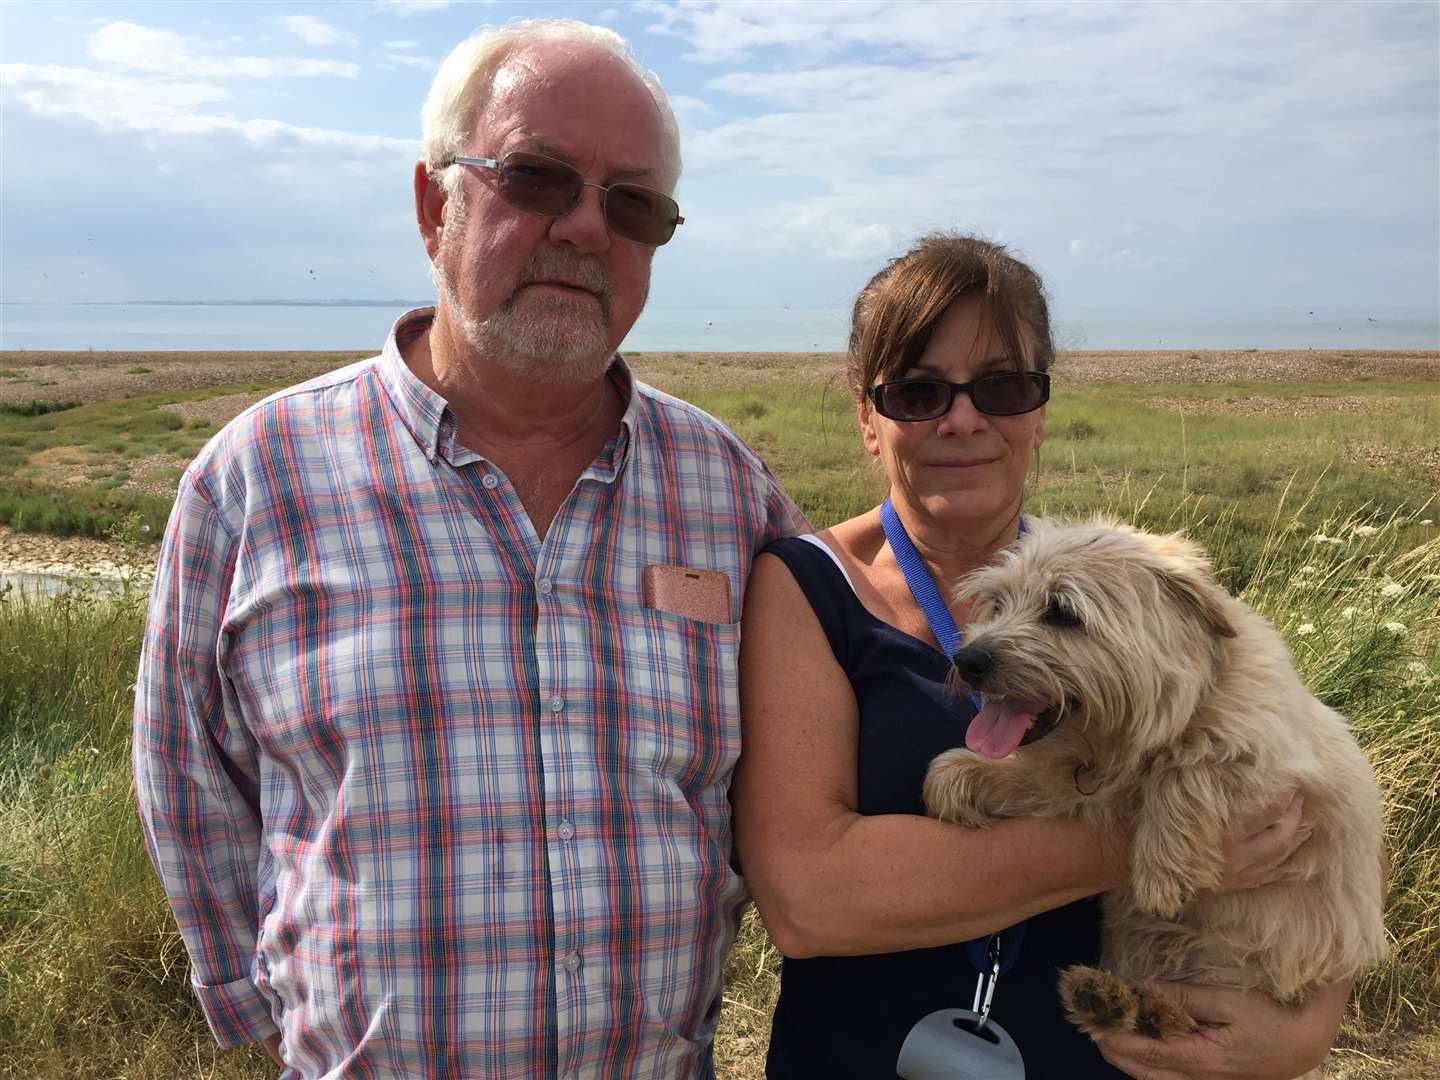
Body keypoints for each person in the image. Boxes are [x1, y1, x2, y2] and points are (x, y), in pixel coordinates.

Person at [132, 19, 805, 1078]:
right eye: (537, 177)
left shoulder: (730, 492)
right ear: (432, 204)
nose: (587, 228)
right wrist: (265, 1007)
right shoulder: (254, 477)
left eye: (633, 203)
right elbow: (184, 764)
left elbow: (814, 759)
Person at [732, 233, 1355, 1079]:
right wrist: (1129, 843)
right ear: (866, 420)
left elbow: (1315, 784)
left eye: (1002, 385)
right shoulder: (806, 587)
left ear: (1040, 411)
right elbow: (809, 898)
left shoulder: (1122, 593)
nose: (962, 418)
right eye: (917, 391)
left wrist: (1308, 1026)